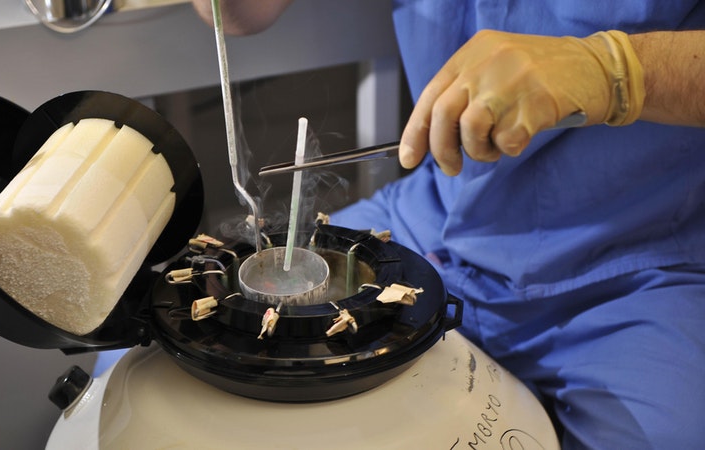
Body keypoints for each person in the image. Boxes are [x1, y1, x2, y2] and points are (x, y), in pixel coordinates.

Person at [187, 1, 705, 448]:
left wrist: (615, 70)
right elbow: (242, 13)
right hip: (432, 219)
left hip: (638, 262)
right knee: (223, 375)